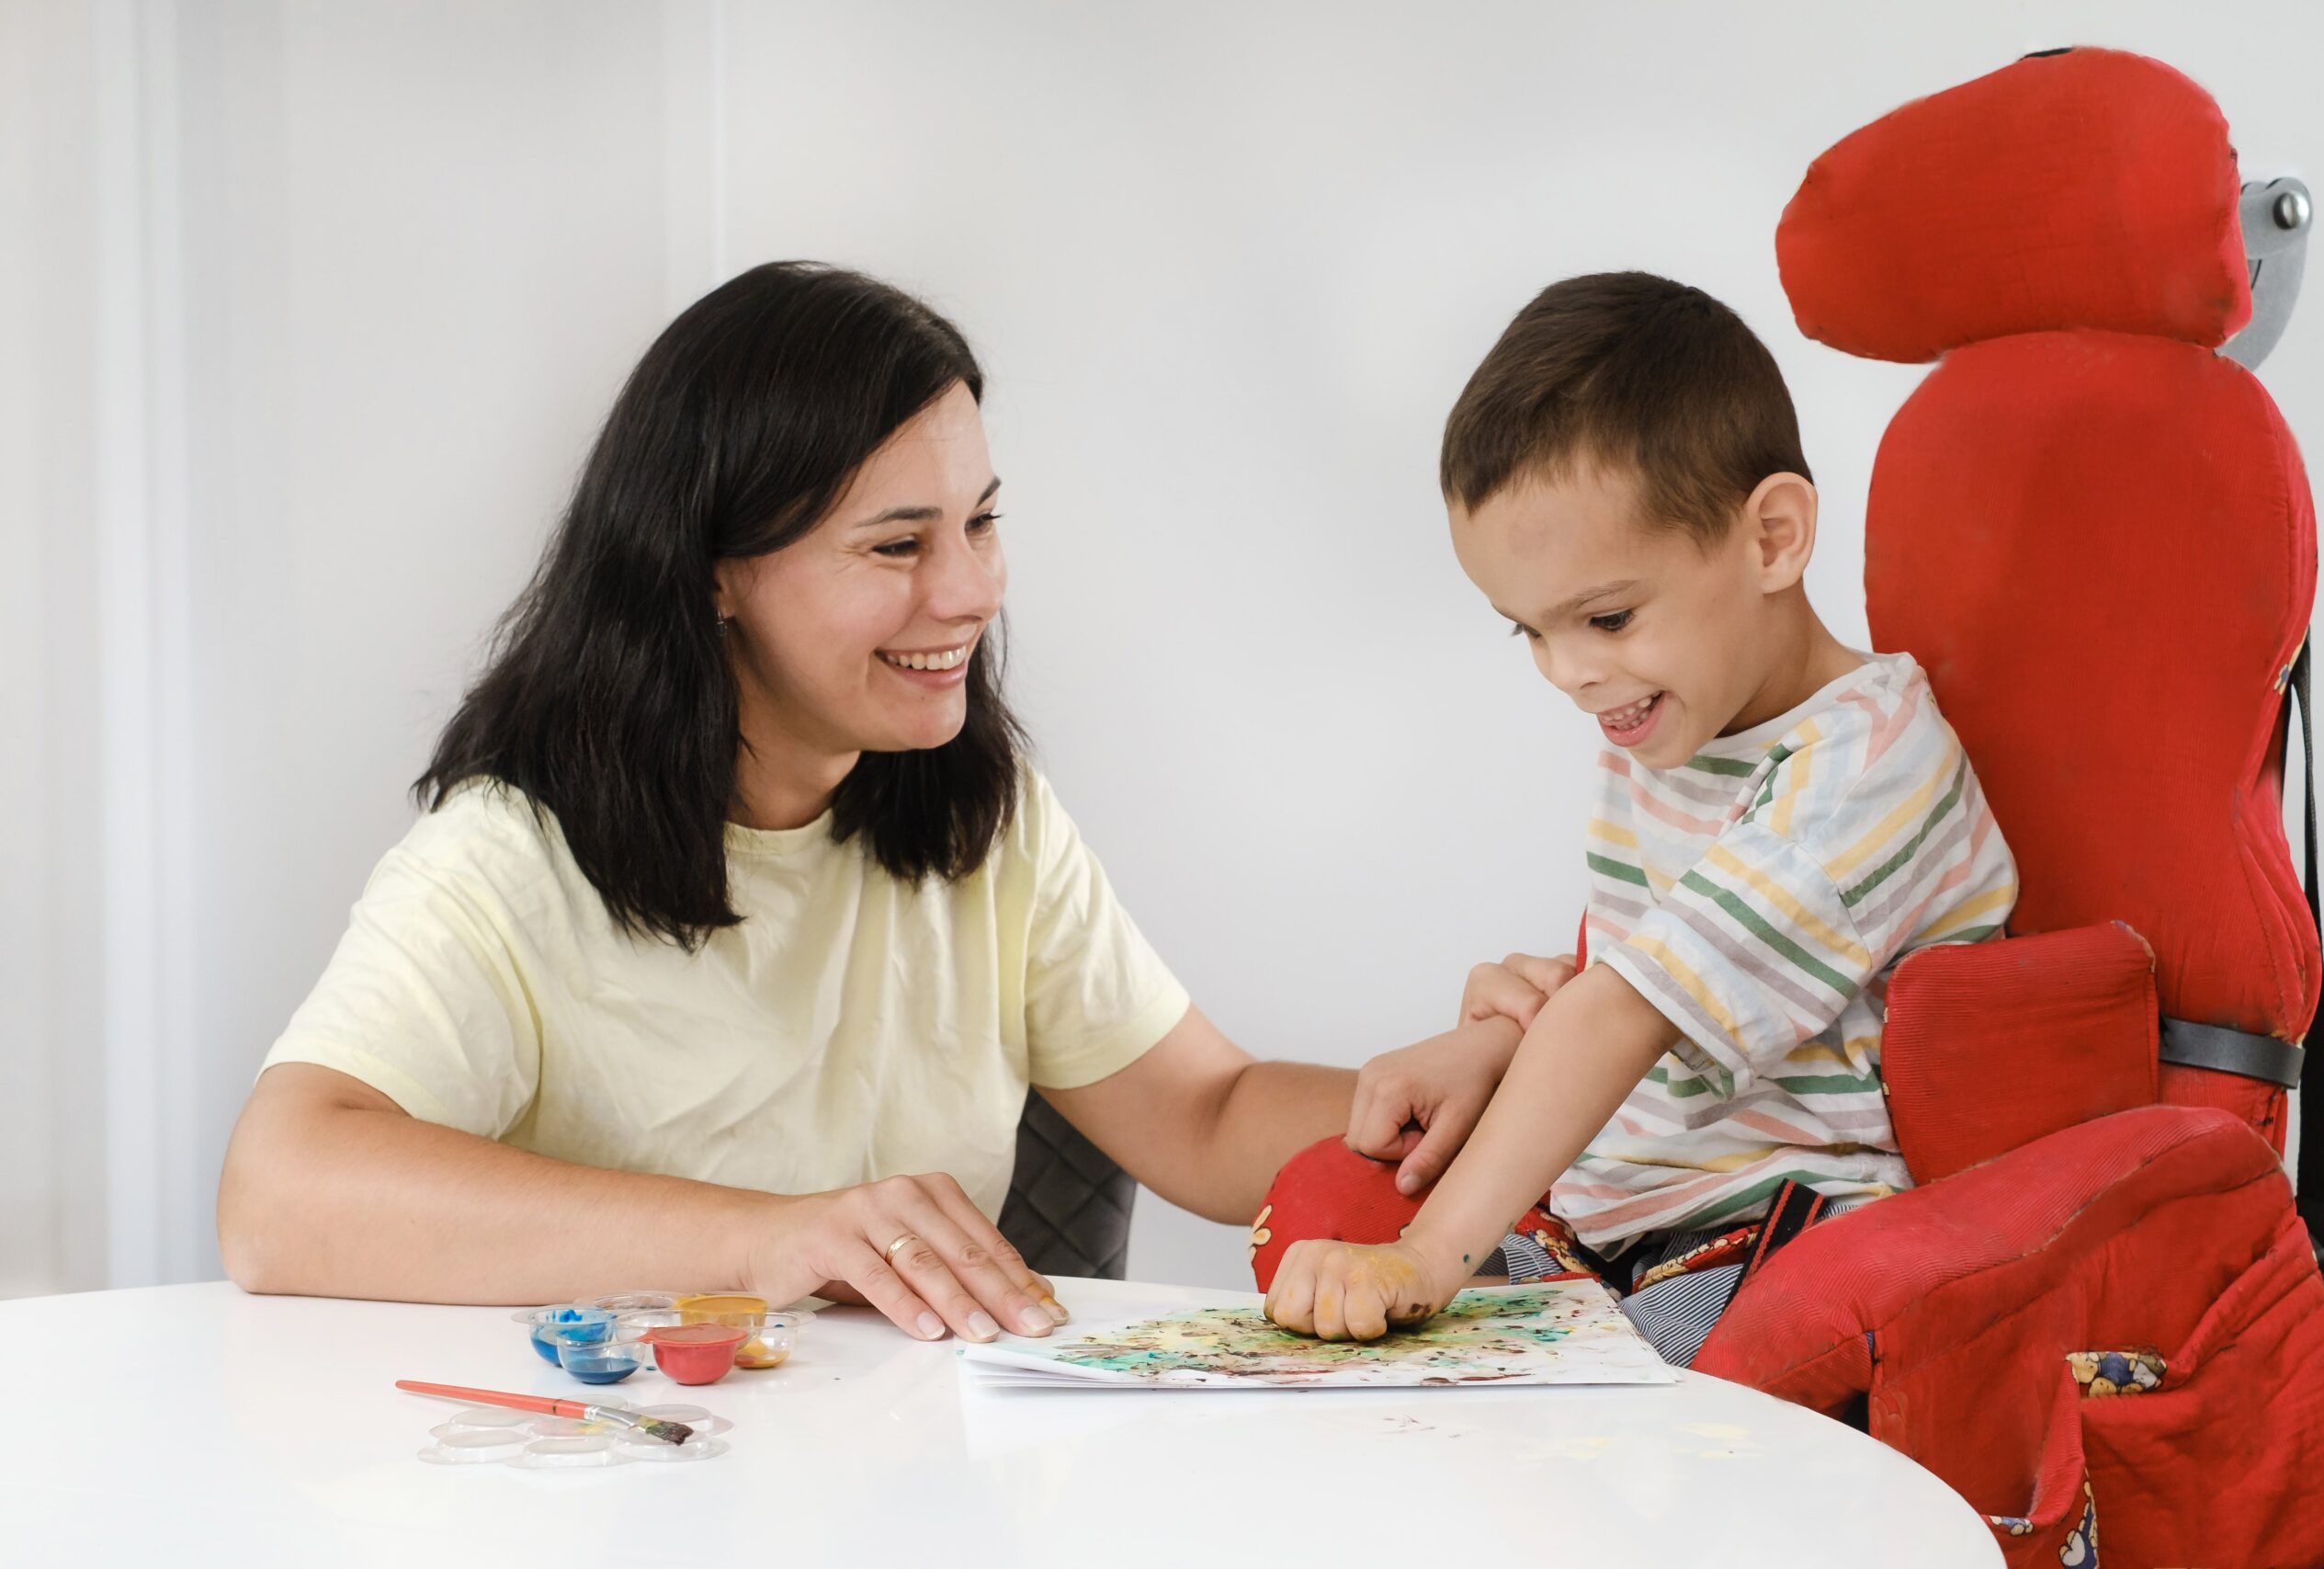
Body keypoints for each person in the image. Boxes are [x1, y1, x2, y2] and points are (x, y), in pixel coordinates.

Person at [217, 262, 1496, 1345]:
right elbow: (278, 1195)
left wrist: (1475, 1086)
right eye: (897, 545)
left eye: (980, 524)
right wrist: (774, 1239)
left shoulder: (985, 819)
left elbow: (1208, 1115)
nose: (969, 591)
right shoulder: (509, 857)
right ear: (716, 571)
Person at [1270, 272, 2019, 1354]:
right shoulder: (1675, 717)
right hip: (1616, 1224)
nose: (1568, 672)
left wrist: (1426, 1257)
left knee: (1510, 1375)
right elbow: (1635, 987)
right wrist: (1507, 1031)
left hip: (1772, 1233)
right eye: (1525, 631)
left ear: (1770, 538)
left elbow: (1629, 1012)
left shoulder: (1867, 764)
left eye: (1606, 616)